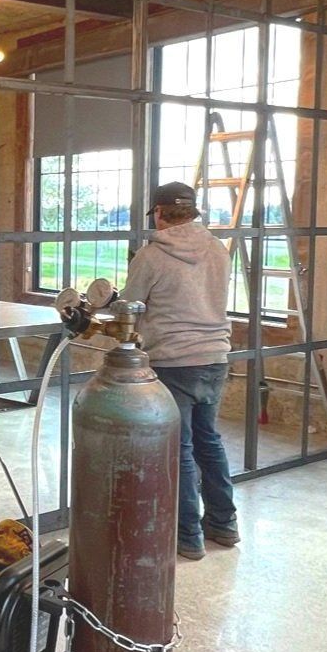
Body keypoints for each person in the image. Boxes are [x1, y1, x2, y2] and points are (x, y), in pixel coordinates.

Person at [122, 181, 239, 561]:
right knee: (209, 440)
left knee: (180, 449)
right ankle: (224, 523)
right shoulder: (219, 250)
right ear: (193, 212)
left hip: (173, 361)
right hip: (215, 358)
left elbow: (131, 307)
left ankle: (187, 536)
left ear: (158, 213)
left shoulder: (151, 256)